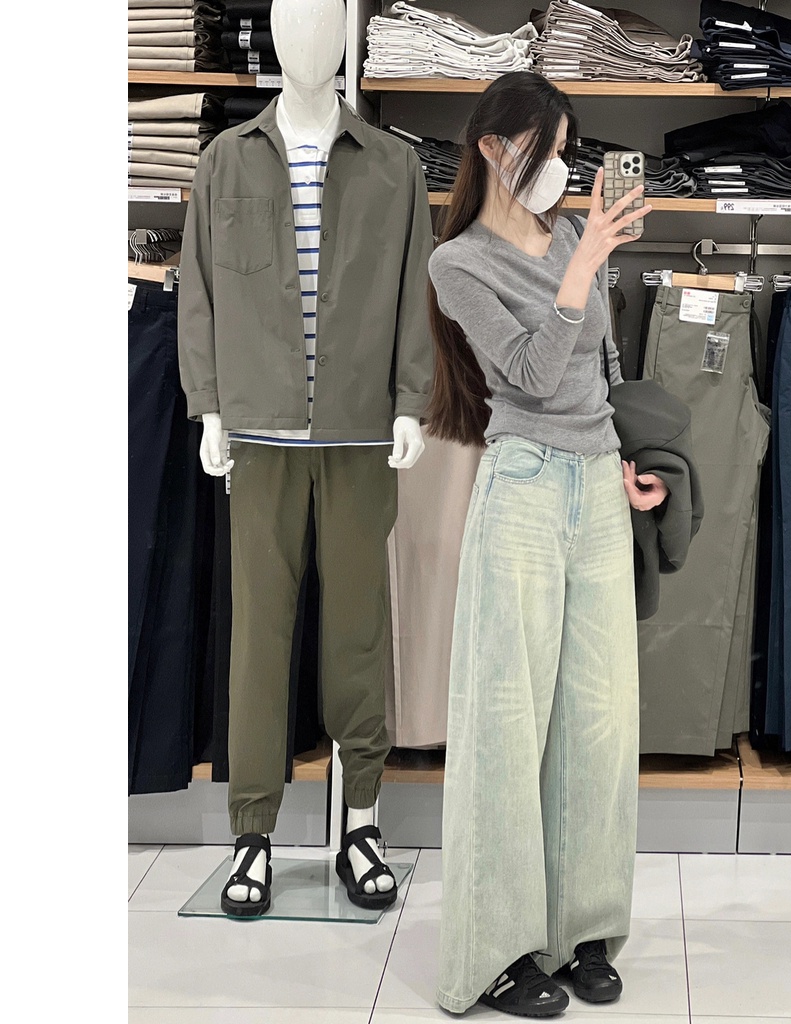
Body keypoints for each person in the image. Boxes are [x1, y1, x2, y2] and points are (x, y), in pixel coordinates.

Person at [176, 0, 433, 917]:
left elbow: (414, 294)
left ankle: (361, 819)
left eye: (326, 20)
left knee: (358, 633)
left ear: (348, 39)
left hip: (360, 435)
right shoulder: (226, 159)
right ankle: (252, 830)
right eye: (295, 18)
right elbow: (198, 291)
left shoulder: (395, 166)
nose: (311, 37)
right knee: (259, 634)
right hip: (261, 434)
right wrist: (208, 405)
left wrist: (411, 401)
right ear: (277, 36)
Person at [425, 71, 663, 1017]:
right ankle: (497, 949)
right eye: (547, 148)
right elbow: (527, 373)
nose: (562, 166)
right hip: (521, 486)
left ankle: (583, 930)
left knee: (600, 720)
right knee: (506, 723)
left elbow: (597, 365)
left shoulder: (571, 235)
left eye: (567, 147)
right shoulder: (458, 265)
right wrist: (584, 263)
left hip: (595, 483)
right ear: (493, 147)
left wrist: (626, 460)